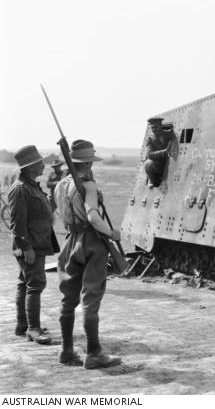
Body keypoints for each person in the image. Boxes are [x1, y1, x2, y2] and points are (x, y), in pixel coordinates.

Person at [55, 139, 122, 369]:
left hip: (70, 240)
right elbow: (93, 217)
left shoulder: (61, 185)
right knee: (91, 297)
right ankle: (93, 353)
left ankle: (66, 351)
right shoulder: (88, 186)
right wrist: (112, 233)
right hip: (91, 241)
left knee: (68, 298)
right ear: (89, 163)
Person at [8, 145, 60, 345]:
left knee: (25, 282)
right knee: (35, 284)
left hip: (37, 242)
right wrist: (26, 247)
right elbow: (17, 223)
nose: (43, 165)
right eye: (39, 163)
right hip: (31, 245)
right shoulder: (21, 189)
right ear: (30, 167)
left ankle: (23, 325)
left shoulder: (30, 185)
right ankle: (33, 329)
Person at [144, 117, 176, 188]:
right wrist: (164, 152)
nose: (154, 130)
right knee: (148, 164)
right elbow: (150, 154)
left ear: (161, 126)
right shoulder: (150, 140)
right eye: (152, 128)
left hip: (170, 162)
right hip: (159, 165)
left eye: (156, 127)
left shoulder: (168, 134)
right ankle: (154, 182)